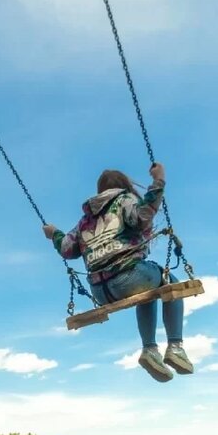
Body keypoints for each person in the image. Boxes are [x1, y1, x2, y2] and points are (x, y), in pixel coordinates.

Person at [43, 163, 193, 383]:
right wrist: (159, 182)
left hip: (101, 292)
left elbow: (67, 248)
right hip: (128, 277)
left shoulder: (84, 221)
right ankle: (176, 347)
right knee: (169, 281)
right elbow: (142, 217)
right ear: (123, 186)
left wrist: (54, 233)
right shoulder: (124, 200)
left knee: (147, 295)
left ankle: (150, 350)